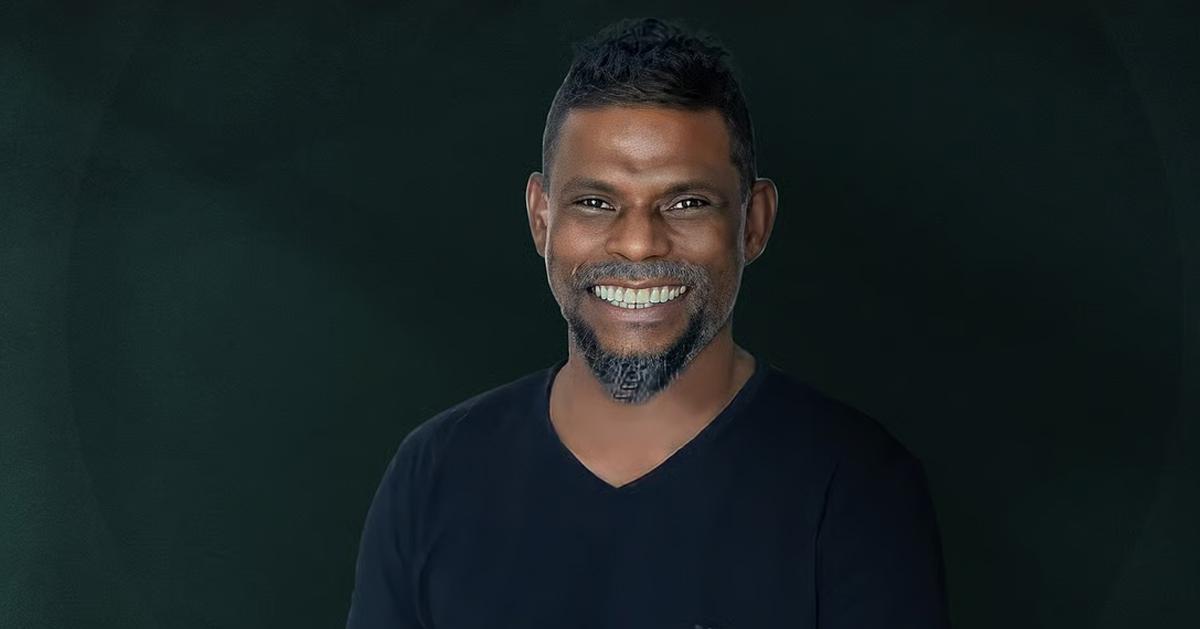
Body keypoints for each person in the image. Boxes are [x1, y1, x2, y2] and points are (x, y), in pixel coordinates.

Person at [345, 16, 950, 629]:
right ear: (541, 219)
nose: (638, 244)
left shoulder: (855, 483)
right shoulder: (434, 473)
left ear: (753, 222)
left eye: (686, 203)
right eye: (595, 202)